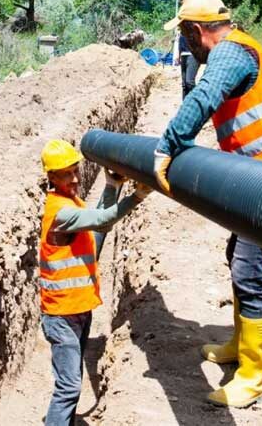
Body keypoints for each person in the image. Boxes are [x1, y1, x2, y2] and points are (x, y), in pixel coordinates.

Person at [152, 0, 262, 408]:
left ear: (196, 32)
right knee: (238, 254)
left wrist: (167, 145)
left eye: (183, 34)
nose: (182, 44)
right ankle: (238, 343)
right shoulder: (235, 48)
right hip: (261, 176)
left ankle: (252, 374)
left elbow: (204, 97)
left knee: (250, 270)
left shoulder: (232, 55)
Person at [39, 139, 151, 426]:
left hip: (79, 310)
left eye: (76, 170)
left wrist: (112, 187)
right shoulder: (60, 212)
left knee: (72, 380)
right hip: (62, 316)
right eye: (66, 174)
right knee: (68, 387)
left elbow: (97, 233)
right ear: (51, 177)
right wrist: (135, 197)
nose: (75, 178)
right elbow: (101, 220)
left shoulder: (71, 202)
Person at [175, 0, 199, 99]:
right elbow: (179, 36)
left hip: (193, 53)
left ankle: (198, 103)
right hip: (184, 52)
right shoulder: (181, 14)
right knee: (184, 84)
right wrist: (178, 53)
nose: (183, 1)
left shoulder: (196, 12)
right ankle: (185, 107)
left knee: (190, 82)